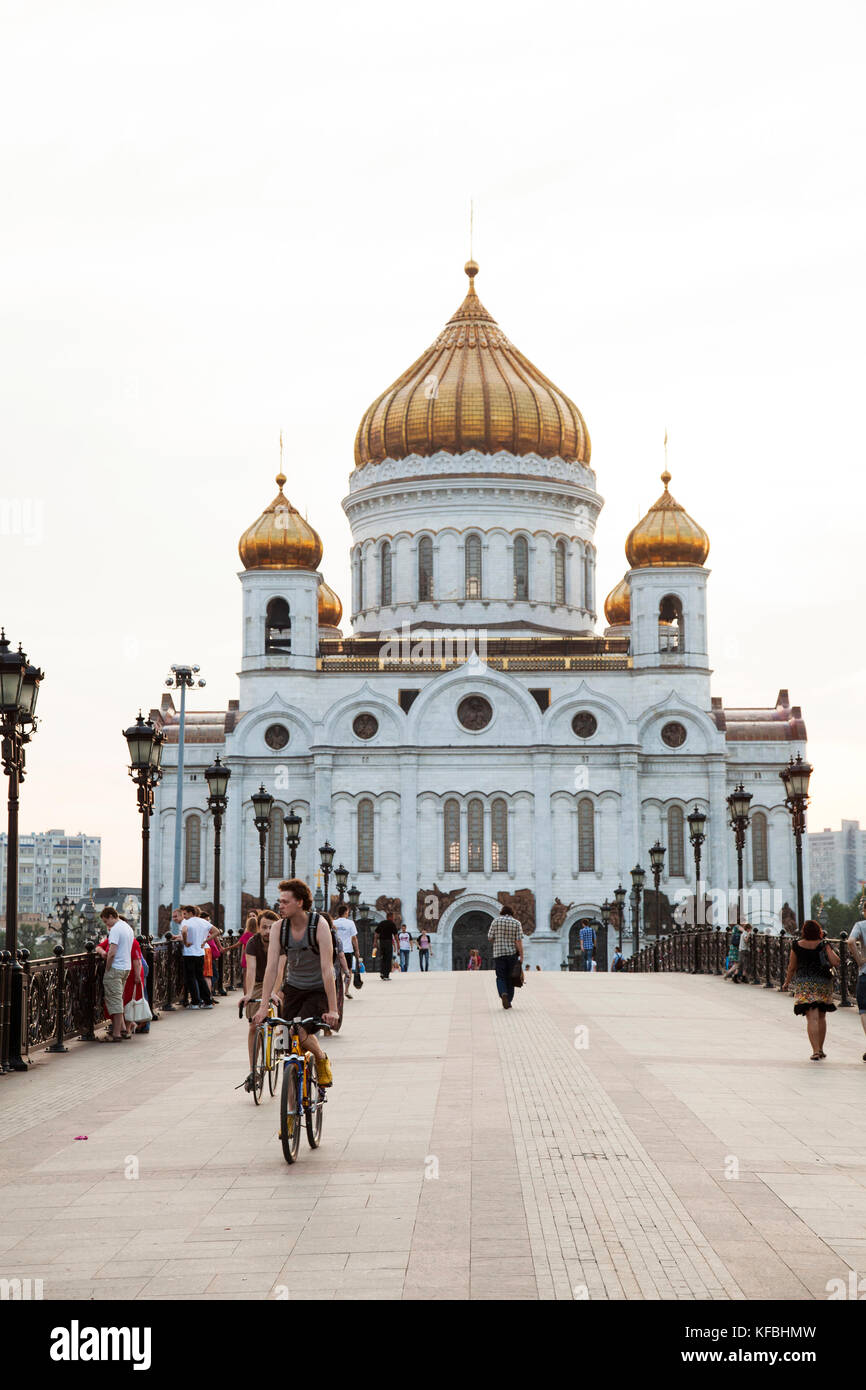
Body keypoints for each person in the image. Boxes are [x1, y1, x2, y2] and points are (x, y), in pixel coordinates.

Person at [254, 879, 339, 1086]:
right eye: (279, 901)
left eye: (285, 902)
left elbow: (328, 969)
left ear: (300, 902)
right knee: (284, 1036)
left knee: (300, 1031)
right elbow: (272, 968)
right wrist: (264, 1006)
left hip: (317, 989)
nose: (280, 906)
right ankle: (291, 1101)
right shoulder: (278, 928)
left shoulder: (318, 925)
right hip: (293, 987)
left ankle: (320, 1057)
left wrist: (333, 1009)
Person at [782, 918, 840, 1060]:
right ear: (819, 931)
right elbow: (836, 961)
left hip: (804, 984)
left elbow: (792, 967)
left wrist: (786, 982)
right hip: (822, 983)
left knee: (811, 1018)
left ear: (804, 931)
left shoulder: (796, 945)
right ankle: (820, 1049)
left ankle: (815, 1051)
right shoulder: (824, 944)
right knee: (821, 1016)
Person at [241, 912, 286, 1092]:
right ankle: (253, 1071)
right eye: (264, 927)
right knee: (254, 1025)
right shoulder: (252, 943)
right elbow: (250, 971)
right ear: (258, 927)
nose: (267, 931)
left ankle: (282, 1035)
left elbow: (280, 970)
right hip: (259, 982)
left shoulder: (281, 943)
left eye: (271, 927)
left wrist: (274, 993)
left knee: (284, 1007)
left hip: (280, 981)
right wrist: (249, 993)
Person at [100, 907, 134, 1041]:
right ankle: (123, 1029)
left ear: (110, 916)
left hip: (116, 968)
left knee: (114, 1000)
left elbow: (112, 951)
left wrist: (107, 967)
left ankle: (116, 1033)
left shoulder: (115, 929)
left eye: (105, 921)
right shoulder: (127, 927)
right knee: (118, 998)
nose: (106, 925)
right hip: (126, 967)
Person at [487, 904, 524, 1009]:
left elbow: (489, 937)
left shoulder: (496, 921)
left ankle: (503, 994)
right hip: (512, 954)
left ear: (502, 912)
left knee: (500, 977)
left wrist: (498, 940)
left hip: (498, 954)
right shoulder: (517, 923)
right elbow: (518, 941)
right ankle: (509, 1000)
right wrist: (521, 956)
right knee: (511, 978)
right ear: (512, 913)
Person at [181, 905, 212, 1008]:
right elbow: (217, 931)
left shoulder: (187, 922)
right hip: (200, 953)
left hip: (189, 953)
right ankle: (208, 1001)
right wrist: (206, 940)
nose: (184, 916)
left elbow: (184, 931)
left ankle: (195, 1002)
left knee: (191, 978)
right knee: (200, 977)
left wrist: (185, 942)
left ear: (191, 913)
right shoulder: (203, 922)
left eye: (185, 913)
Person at [846, 910, 866, 1061]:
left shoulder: (860, 925)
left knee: (864, 1010)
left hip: (865, 973)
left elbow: (851, 941)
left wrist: (860, 961)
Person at [333, 904, 359, 999]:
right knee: (348, 971)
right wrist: (357, 950)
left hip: (335, 950)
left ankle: (337, 990)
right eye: (347, 912)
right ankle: (346, 990)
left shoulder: (333, 922)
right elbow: (354, 938)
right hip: (347, 950)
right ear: (345, 912)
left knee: (337, 971)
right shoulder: (350, 923)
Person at [374, 915, 400, 980]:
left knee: (383, 957)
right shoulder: (392, 924)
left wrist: (374, 942)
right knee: (388, 958)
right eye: (393, 917)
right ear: (390, 917)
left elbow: (376, 933)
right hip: (388, 942)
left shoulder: (381, 923)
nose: (393, 918)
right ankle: (386, 975)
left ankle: (382, 972)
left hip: (382, 942)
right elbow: (396, 935)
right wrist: (398, 944)